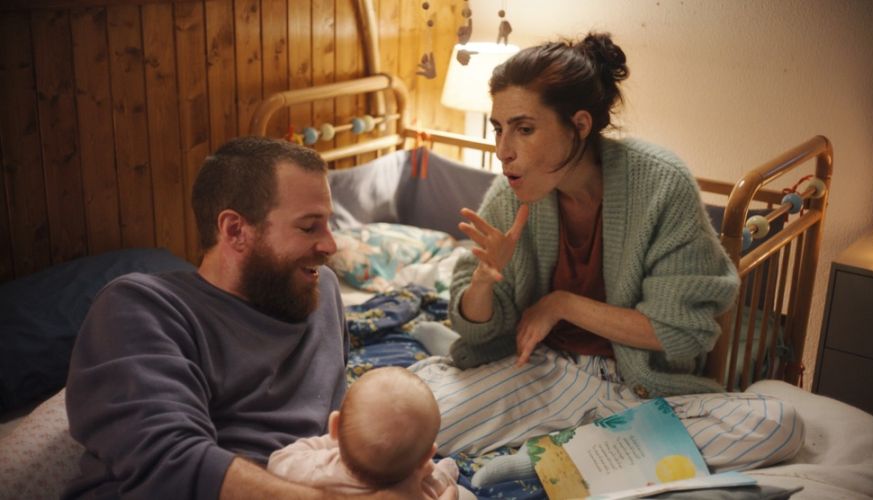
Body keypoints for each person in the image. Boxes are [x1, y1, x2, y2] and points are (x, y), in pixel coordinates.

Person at [409, 32, 804, 486]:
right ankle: (593, 452)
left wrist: (560, 304)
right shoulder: (512, 191)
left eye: (524, 129)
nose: (503, 150)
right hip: (542, 372)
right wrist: (484, 279)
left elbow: (680, 331)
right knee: (398, 424)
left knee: (779, 425)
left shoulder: (660, 184)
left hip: (637, 393)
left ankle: (549, 462)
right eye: (499, 128)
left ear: (579, 125)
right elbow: (481, 329)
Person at [64, 137, 452, 499]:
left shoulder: (321, 290)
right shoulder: (142, 308)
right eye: (309, 226)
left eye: (328, 223)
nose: (331, 245)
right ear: (236, 230)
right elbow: (171, 463)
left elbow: (334, 438)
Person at [268, 367, 474, 500]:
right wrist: (446, 472)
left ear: (334, 426)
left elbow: (276, 461)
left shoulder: (311, 468)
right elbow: (445, 478)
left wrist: (337, 439)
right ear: (427, 456)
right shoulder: (425, 487)